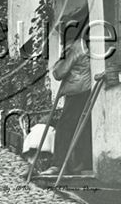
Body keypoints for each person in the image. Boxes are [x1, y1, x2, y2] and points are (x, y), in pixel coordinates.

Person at [41, 34, 92, 175]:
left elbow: (59, 73)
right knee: (82, 128)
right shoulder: (85, 45)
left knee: (64, 128)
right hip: (86, 90)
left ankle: (57, 165)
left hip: (77, 92)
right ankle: (80, 165)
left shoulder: (74, 47)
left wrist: (60, 59)